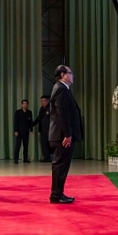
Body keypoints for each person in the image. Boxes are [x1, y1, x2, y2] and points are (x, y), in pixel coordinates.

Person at [48, 65, 81, 204]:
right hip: (62, 136)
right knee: (60, 166)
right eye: (70, 73)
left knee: (61, 165)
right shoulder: (61, 89)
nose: (73, 76)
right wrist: (67, 134)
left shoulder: (62, 88)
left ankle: (58, 193)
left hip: (61, 135)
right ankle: (56, 195)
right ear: (63, 75)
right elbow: (62, 114)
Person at [13, 99, 33, 164]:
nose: (25, 105)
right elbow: (15, 122)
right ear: (21, 104)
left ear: (27, 105)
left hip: (26, 132)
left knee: (26, 146)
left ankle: (25, 158)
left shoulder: (29, 112)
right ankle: (16, 159)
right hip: (19, 131)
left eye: (26, 104)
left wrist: (31, 130)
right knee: (18, 145)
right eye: (23, 104)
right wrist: (16, 130)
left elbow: (30, 122)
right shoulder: (18, 112)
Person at [35, 95, 52, 163]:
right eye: (41, 101)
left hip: (50, 130)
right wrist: (31, 124)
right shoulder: (41, 109)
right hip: (43, 130)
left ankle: (51, 157)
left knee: (50, 144)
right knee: (44, 144)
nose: (42, 102)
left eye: (44, 101)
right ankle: (46, 157)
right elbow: (38, 118)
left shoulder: (51, 108)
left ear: (48, 101)